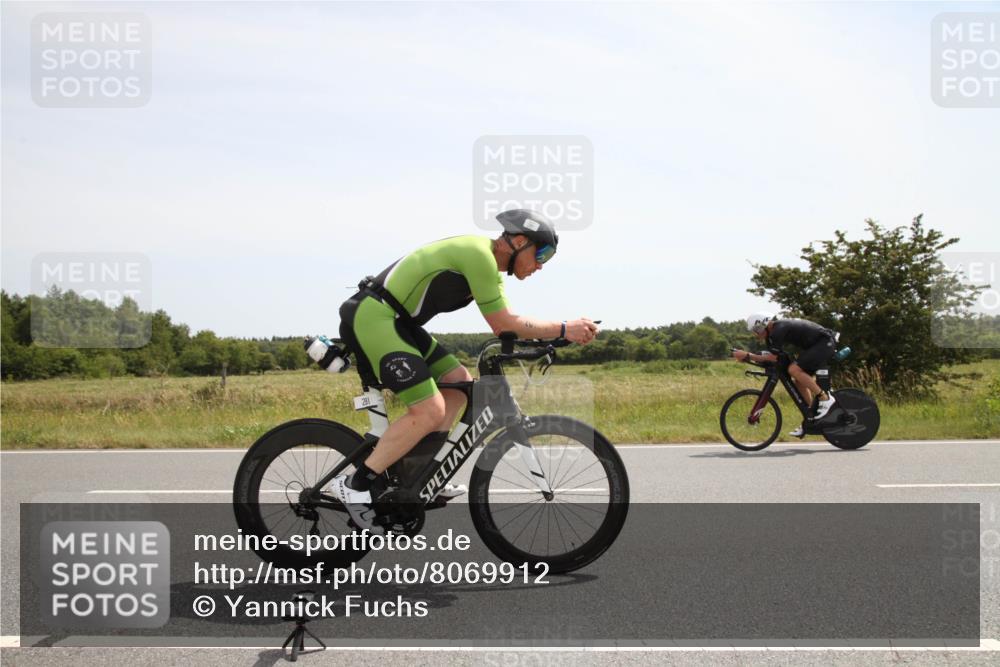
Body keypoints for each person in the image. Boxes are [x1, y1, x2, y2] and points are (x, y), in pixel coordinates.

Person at [332, 209, 599, 531]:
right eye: (542, 253)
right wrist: (565, 328)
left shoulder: (487, 267)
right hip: (375, 317)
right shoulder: (478, 256)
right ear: (517, 241)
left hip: (399, 324)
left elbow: (510, 325)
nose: (541, 264)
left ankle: (418, 474)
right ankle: (355, 484)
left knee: (458, 385)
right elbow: (505, 325)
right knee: (429, 410)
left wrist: (555, 334)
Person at [733, 312, 837, 438]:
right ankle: (811, 417)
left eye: (756, 330)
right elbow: (770, 356)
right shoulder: (770, 335)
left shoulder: (778, 330)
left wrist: (748, 355)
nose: (755, 334)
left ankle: (824, 398)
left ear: (762, 325)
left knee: (793, 370)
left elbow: (773, 357)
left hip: (824, 343)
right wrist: (747, 357)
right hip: (816, 346)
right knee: (799, 380)